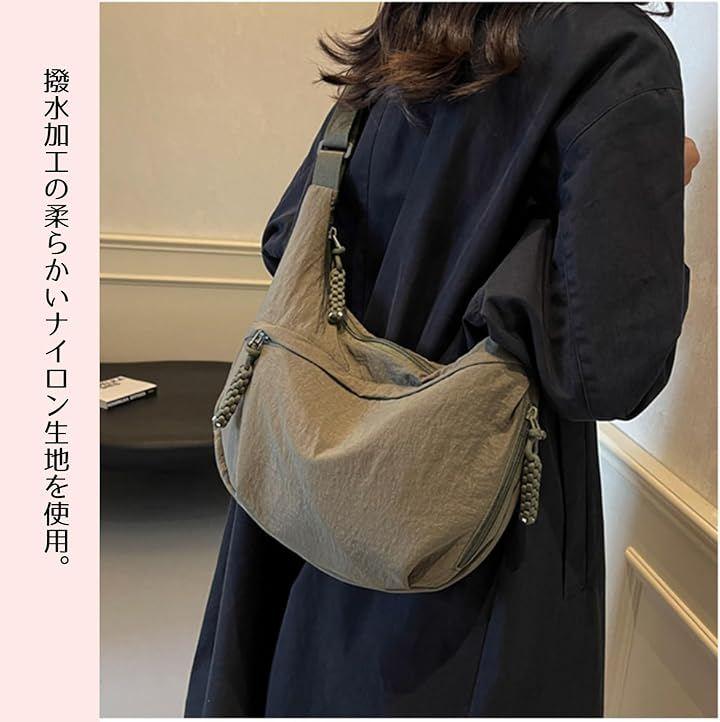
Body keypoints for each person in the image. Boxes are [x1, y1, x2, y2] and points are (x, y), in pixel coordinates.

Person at [185, 3, 698, 716]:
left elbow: (287, 238)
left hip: (309, 508)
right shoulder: (615, 52)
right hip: (471, 544)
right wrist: (653, 187)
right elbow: (607, 368)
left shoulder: (416, 23)